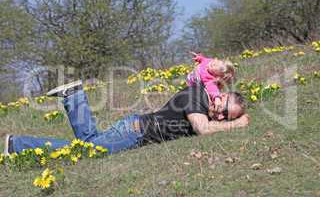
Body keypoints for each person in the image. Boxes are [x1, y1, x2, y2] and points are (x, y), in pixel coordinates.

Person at [4, 80, 249, 155]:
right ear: (222, 95)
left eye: (226, 117)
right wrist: (236, 125)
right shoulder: (198, 97)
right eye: (224, 108)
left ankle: (74, 96)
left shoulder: (202, 100)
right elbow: (203, 129)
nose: (221, 115)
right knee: (87, 151)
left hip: (134, 128)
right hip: (135, 132)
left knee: (89, 142)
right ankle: (18, 145)